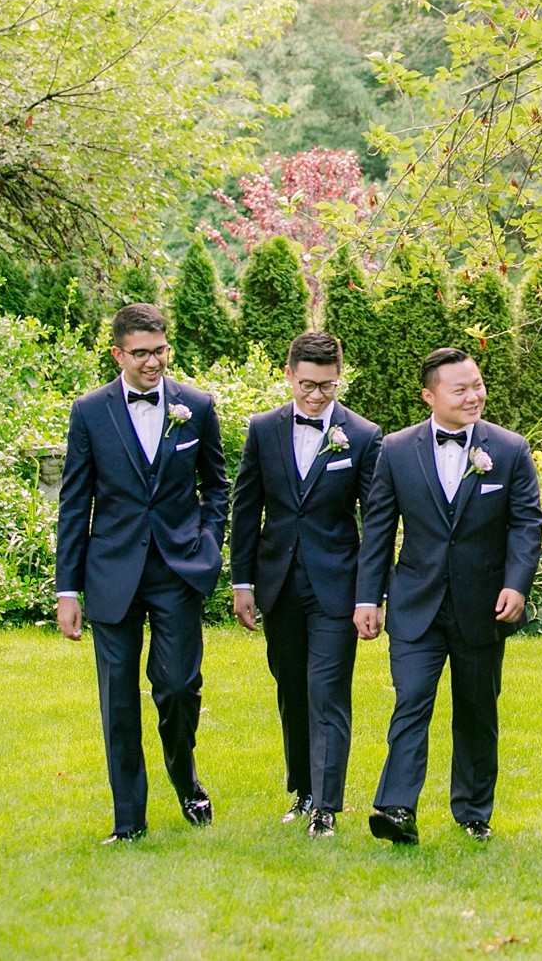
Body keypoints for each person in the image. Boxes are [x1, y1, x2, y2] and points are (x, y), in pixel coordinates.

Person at [54, 303, 229, 844]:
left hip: (177, 570)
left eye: (160, 351)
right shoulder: (89, 412)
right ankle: (129, 819)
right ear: (117, 353)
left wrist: (206, 544)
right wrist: (67, 588)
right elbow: (74, 501)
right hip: (111, 572)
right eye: (141, 353)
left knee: (178, 687)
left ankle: (185, 779)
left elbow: (217, 486)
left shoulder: (196, 407)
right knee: (119, 698)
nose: (152, 362)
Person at [355, 348, 542, 845]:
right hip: (415, 601)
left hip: (483, 604)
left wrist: (516, 583)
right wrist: (367, 597)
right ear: (429, 395)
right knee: (411, 701)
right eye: (459, 389)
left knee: (477, 708)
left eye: (477, 384)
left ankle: (473, 810)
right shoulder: (395, 450)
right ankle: (396, 808)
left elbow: (527, 523)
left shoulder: (509, 449)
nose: (473, 395)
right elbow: (377, 530)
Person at [229, 332, 381, 838]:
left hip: (336, 586)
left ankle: (327, 808)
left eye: (328, 386)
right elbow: (246, 509)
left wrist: (369, 594)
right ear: (289, 375)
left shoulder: (361, 436)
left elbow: (376, 521)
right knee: (291, 688)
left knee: (328, 691)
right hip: (277, 585)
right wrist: (243, 582)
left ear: (340, 378)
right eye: (308, 385)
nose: (317, 396)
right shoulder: (263, 429)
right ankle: (303, 789)